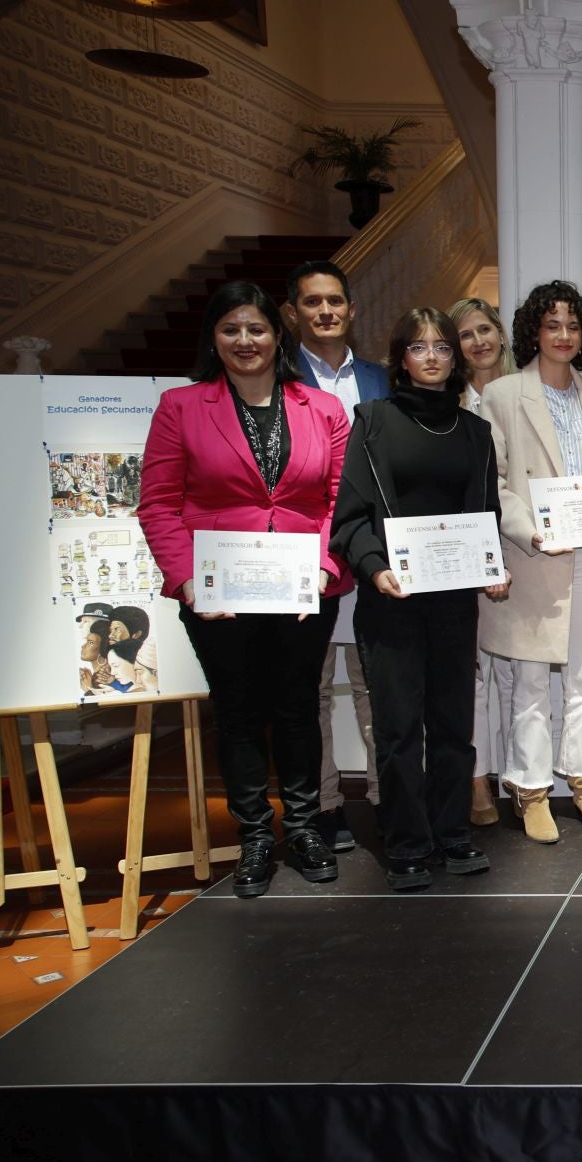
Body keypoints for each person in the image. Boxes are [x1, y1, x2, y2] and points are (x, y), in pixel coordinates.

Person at [138, 280, 351, 897]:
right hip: (218, 594)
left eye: (256, 328)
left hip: (302, 587)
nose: (245, 340)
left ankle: (305, 828)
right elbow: (157, 505)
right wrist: (188, 583)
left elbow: (340, 499)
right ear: (214, 338)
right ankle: (256, 838)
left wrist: (325, 567)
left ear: (278, 334)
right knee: (237, 714)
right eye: (231, 329)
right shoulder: (181, 406)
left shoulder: (324, 410)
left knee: (297, 707)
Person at [330, 308, 508, 891]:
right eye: (418, 346)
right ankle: (407, 843)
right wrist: (375, 570)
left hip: (455, 599)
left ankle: (452, 832)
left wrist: (493, 568)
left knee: (454, 724)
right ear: (400, 357)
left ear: (454, 359)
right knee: (400, 728)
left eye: (441, 346)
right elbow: (350, 520)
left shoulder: (475, 432)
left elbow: (486, 516)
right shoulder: (373, 421)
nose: (432, 355)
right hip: (394, 598)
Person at [473, 280, 582, 843]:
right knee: (530, 681)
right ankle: (531, 790)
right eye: (552, 324)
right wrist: (533, 532)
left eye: (573, 325)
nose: (563, 335)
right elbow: (497, 481)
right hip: (534, 554)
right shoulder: (504, 394)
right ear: (534, 329)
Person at [287, 260, 388, 854]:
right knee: (312, 692)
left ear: (351, 308)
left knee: (377, 686)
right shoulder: (277, 380)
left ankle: (385, 797)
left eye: (334, 301)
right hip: (306, 555)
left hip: (372, 552)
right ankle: (323, 807)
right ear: (294, 313)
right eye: (311, 302)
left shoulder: (379, 378)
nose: (325, 312)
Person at [448, 296, 512, 828]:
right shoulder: (449, 403)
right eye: (466, 334)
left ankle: (521, 780)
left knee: (514, 673)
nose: (479, 342)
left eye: (486, 329)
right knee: (471, 676)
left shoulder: (526, 392)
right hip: (464, 551)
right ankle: (477, 784)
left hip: (522, 548)